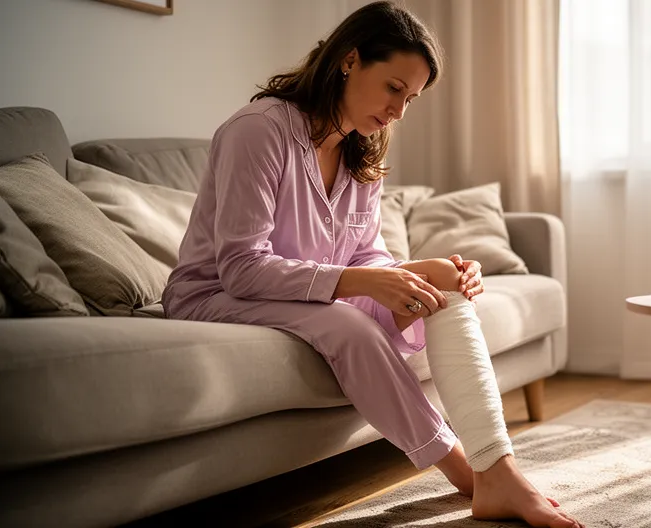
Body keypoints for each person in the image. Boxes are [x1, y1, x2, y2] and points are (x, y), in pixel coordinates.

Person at [162, 2, 582, 527]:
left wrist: (421, 270)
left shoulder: (362, 146)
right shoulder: (258, 131)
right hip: (216, 294)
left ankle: (496, 465)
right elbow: (242, 268)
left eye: (411, 98)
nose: (399, 111)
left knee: (445, 287)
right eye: (393, 88)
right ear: (349, 59)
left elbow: (364, 254)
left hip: (304, 288)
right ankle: (469, 472)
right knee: (348, 324)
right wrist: (364, 282)